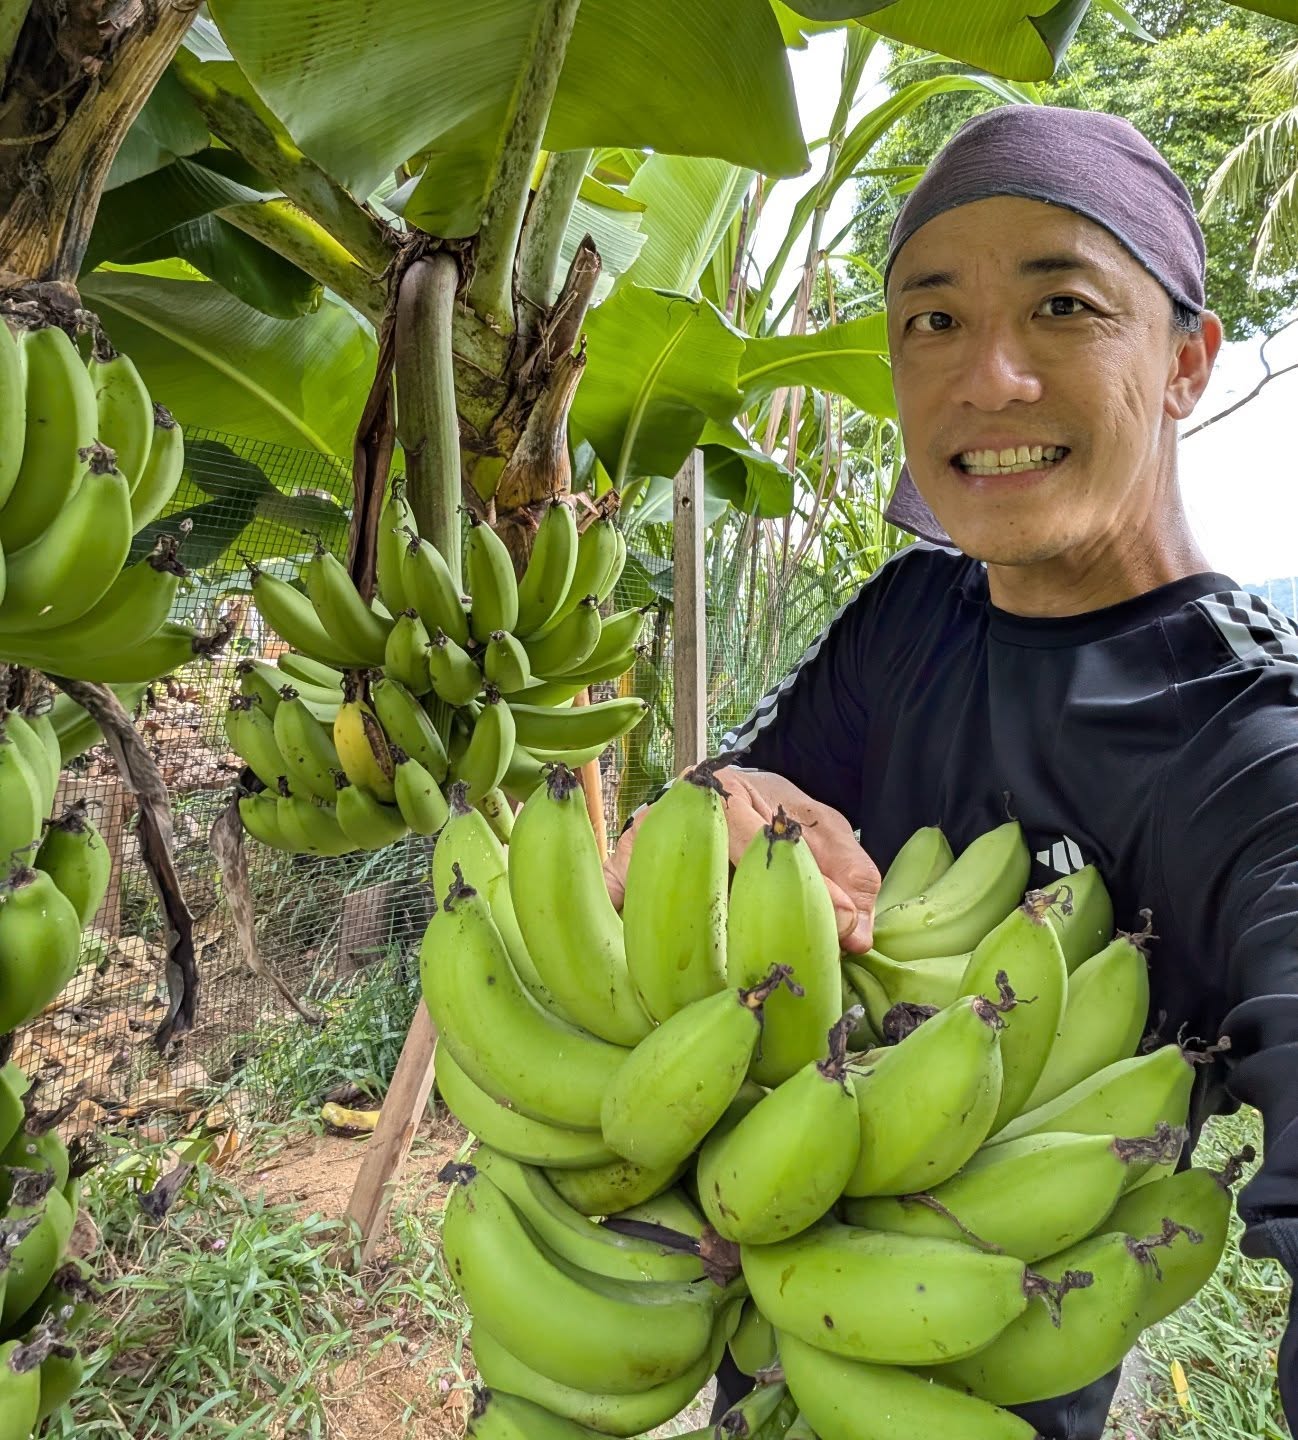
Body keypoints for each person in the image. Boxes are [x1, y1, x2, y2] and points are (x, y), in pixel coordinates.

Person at [604, 104, 1298, 1439]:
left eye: (1063, 307)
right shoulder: (910, 618)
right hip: (760, 1320)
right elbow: (760, 789)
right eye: (931, 319)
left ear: (1185, 362)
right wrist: (712, 803)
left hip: (972, 1373)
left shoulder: (1248, 749)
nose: (987, 377)